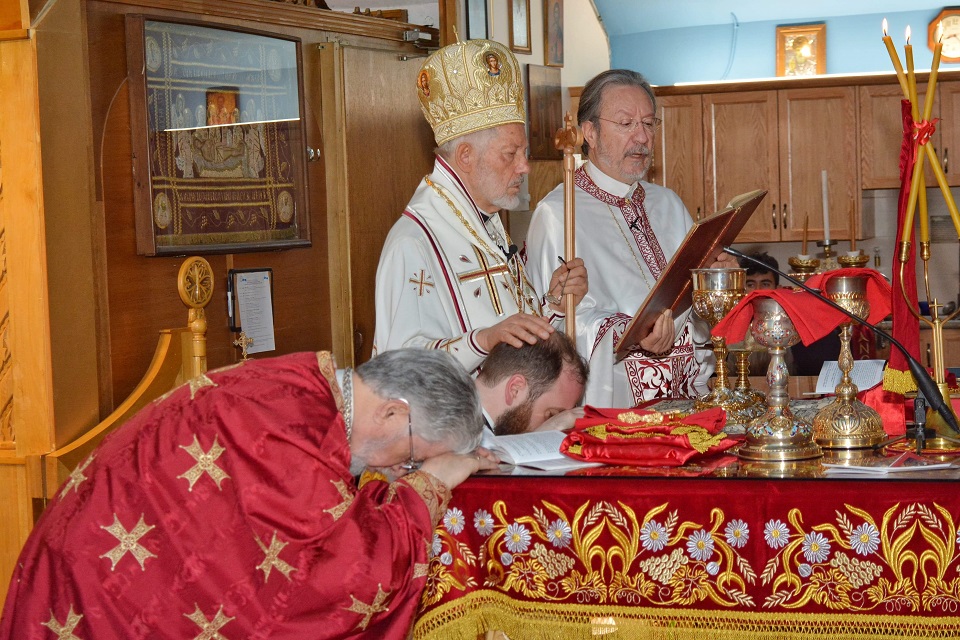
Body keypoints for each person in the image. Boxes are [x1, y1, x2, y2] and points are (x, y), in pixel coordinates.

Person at [0, 349, 496, 639]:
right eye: (413, 457)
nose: (401, 471)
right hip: (94, 595)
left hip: (106, 571)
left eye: (415, 467)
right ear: (392, 412)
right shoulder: (293, 425)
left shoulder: (306, 390)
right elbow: (327, 579)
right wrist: (427, 488)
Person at [373, 38, 587, 374]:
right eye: (510, 154)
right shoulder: (413, 243)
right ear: (465, 156)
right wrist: (483, 341)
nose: (525, 167)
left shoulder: (486, 223)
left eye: (524, 153)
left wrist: (555, 307)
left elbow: (513, 342)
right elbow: (402, 367)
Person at [527, 69, 737, 407]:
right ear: (590, 132)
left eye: (649, 124)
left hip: (689, 397)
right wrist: (633, 334)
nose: (642, 137)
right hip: (615, 404)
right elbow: (554, 324)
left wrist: (715, 282)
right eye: (626, 124)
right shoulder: (557, 214)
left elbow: (695, 309)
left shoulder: (668, 203)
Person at [475, 330, 588, 437]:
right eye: (551, 415)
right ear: (515, 389)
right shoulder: (465, 435)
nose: (554, 422)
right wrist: (538, 439)